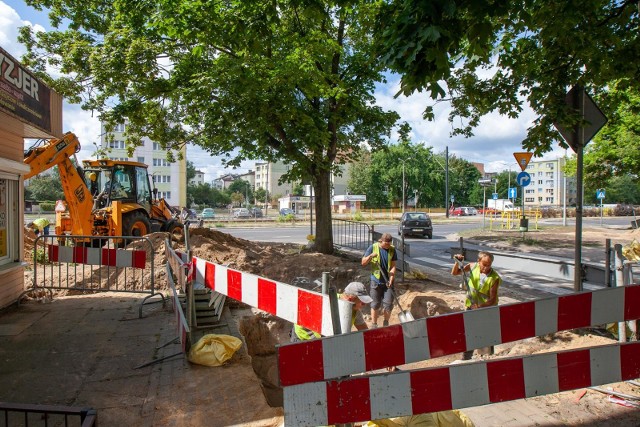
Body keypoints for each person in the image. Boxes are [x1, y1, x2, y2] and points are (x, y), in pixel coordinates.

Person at [452, 251, 502, 359]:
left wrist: (480, 307)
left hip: (487, 310)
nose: (486, 268)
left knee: (486, 333)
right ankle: (466, 357)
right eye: (484, 264)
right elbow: (455, 273)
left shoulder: (494, 278)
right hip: (471, 306)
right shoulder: (472, 266)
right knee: (470, 332)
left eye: (489, 265)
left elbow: (492, 300)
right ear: (478, 261)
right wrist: (457, 262)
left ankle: (487, 356)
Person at [290, 281, 372, 342]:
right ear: (350, 299)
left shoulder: (355, 310)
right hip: (302, 337)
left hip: (322, 341)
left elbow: (365, 332)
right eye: (362, 302)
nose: (364, 305)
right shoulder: (327, 301)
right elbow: (303, 318)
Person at [361, 233, 397, 328]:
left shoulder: (392, 249)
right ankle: (374, 324)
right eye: (386, 243)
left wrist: (391, 279)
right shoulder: (373, 247)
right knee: (375, 304)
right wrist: (370, 256)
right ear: (381, 241)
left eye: (389, 243)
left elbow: (393, 266)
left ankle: (386, 323)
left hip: (388, 282)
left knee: (388, 304)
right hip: (376, 281)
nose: (388, 245)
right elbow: (363, 262)